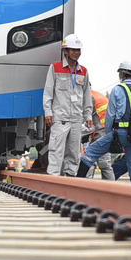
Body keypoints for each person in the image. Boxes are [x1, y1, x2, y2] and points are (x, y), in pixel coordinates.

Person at [76, 61, 131, 183]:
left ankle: (77, 186)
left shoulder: (118, 89)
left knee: (89, 154)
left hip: (120, 133)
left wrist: (110, 134)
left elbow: (111, 115)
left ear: (122, 73)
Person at [43, 34, 92, 177]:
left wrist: (87, 115)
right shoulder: (55, 67)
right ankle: (53, 179)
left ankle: (70, 179)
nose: (77, 53)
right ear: (65, 51)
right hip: (59, 118)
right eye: (73, 50)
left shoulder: (83, 71)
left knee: (74, 153)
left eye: (78, 50)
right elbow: (48, 92)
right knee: (56, 151)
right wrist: (48, 112)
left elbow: (87, 96)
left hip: (76, 119)